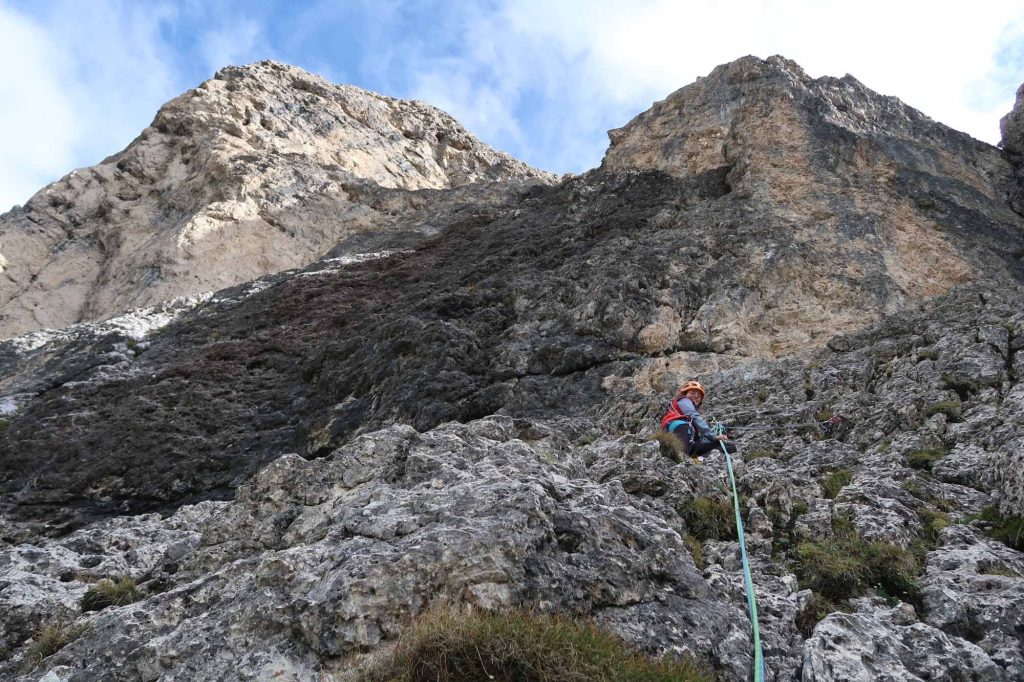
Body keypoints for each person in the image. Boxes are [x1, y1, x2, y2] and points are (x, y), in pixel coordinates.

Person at [660, 380, 737, 459]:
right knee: (684, 453)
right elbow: (694, 415)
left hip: (688, 438)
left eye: (699, 396)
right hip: (679, 427)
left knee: (729, 446)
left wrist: (715, 439)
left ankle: (698, 460)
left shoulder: (690, 422)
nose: (696, 396)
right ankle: (685, 459)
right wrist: (712, 436)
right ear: (684, 394)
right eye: (692, 393)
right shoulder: (683, 400)